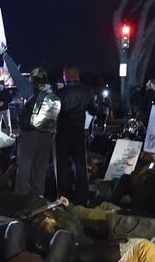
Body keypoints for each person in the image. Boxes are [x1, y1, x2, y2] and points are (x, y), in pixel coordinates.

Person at [15, 68, 60, 196]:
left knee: (24, 168)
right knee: (40, 171)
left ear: (33, 78)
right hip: (47, 136)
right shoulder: (52, 92)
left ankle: (21, 199)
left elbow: (16, 75)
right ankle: (38, 199)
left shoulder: (30, 90)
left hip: (30, 134)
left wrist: (5, 55)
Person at [55, 66, 96, 205]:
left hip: (63, 131)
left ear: (65, 77)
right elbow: (94, 110)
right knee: (80, 164)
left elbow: (55, 114)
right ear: (78, 76)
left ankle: (64, 195)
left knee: (63, 164)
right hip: (79, 131)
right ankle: (82, 196)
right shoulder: (87, 92)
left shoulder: (60, 93)